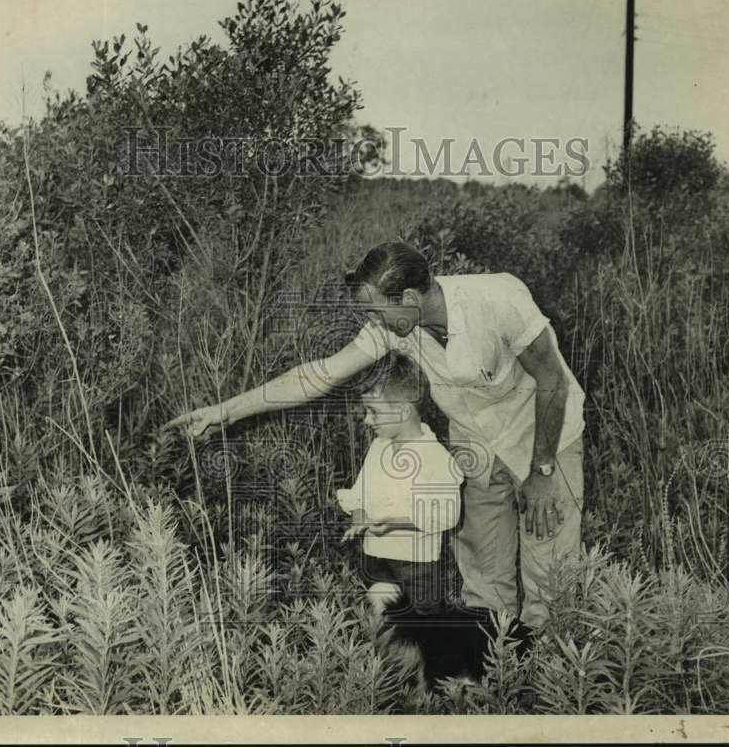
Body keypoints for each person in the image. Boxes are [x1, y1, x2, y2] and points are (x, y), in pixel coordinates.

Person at [166, 240, 585, 635]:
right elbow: (318, 376)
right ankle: (499, 679)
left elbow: (552, 379)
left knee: (549, 574)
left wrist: (543, 471)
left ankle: (550, 686)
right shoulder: (396, 327)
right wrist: (224, 412)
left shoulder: (497, 299)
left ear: (408, 300)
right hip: (476, 442)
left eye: (376, 311)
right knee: (483, 574)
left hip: (543, 436)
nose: (372, 322)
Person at [336, 353, 463, 618]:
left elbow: (445, 515)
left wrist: (395, 523)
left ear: (404, 410)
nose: (368, 420)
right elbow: (360, 493)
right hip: (375, 560)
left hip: (416, 568)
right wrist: (360, 519)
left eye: (374, 412)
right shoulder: (379, 447)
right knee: (383, 630)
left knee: (419, 637)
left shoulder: (435, 458)